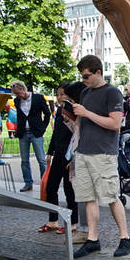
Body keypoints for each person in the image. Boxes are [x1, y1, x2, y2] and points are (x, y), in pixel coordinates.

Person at [71, 54, 130, 258]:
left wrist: (87, 113)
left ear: (98, 72)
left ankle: (125, 238)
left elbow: (115, 124)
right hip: (84, 152)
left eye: (87, 76)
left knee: (111, 196)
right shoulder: (86, 92)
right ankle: (92, 239)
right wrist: (76, 145)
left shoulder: (113, 92)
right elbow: (81, 122)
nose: (84, 80)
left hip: (103, 153)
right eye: (82, 76)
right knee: (88, 198)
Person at [37, 81, 80, 238]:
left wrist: (73, 156)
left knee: (70, 191)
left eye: (62, 94)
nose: (59, 97)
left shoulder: (72, 110)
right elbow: (56, 133)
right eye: (58, 94)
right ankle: (53, 220)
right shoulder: (60, 110)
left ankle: (72, 223)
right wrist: (50, 151)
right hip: (59, 155)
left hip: (69, 156)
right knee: (50, 187)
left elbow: (76, 134)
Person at [11, 80, 51, 192]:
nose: (18, 96)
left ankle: (45, 183)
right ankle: (28, 183)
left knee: (41, 160)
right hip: (23, 133)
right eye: (16, 94)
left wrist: (43, 128)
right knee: (24, 160)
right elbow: (20, 116)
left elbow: (47, 113)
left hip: (36, 132)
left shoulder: (38, 98)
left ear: (23, 89)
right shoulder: (17, 101)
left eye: (19, 93)